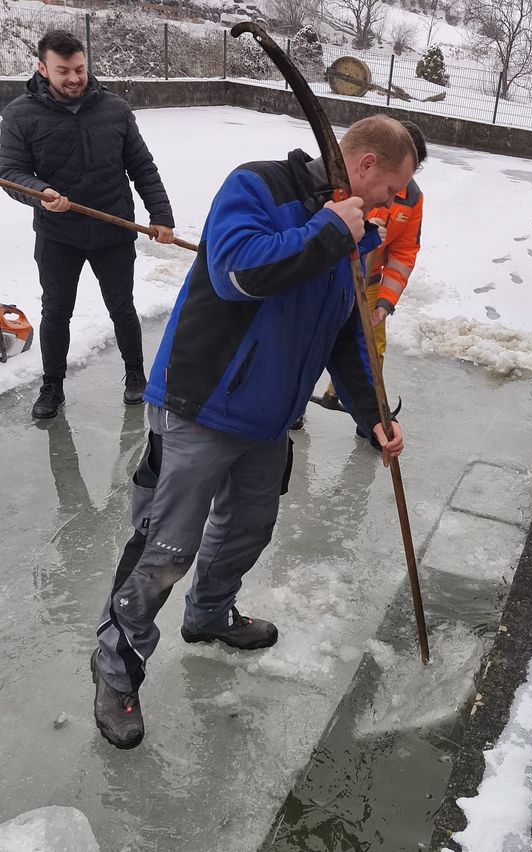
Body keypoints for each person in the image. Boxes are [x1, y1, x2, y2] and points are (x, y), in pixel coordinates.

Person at [90, 114, 415, 750]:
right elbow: (238, 273)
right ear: (367, 165)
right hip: (202, 402)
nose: (392, 203)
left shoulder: (350, 231)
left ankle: (209, 616)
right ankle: (116, 667)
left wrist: (372, 414)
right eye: (391, 189)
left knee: (249, 528)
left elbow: (345, 334)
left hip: (267, 420)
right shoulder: (259, 187)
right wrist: (328, 231)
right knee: (166, 546)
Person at [0, 30, 175, 420]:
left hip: (113, 229)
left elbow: (142, 167)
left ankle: (135, 376)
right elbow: (10, 171)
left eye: (79, 68)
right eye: (64, 71)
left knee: (122, 307)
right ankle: (52, 386)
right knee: (57, 310)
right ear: (42, 68)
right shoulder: (19, 115)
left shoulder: (114, 109)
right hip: (57, 234)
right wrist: (40, 191)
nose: (75, 78)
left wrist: (161, 216)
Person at [313, 121, 427, 446]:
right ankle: (295, 407)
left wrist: (385, 302)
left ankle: (370, 419)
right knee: (310, 338)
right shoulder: (345, 182)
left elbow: (404, 252)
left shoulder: (410, 199)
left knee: (370, 349)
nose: (391, 200)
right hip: (330, 273)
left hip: (371, 284)